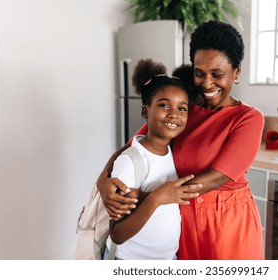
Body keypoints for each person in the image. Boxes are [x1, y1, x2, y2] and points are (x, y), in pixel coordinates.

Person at [97, 20, 265, 260]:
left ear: (237, 72)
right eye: (199, 73)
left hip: (226, 222)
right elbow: (133, 146)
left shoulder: (248, 118)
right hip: (181, 220)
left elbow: (215, 179)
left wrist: (147, 197)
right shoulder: (182, 111)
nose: (207, 84)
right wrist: (103, 181)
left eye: (217, 75)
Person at [104, 58, 202, 260]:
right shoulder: (130, 162)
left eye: (181, 108)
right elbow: (117, 234)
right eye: (164, 105)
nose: (174, 114)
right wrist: (157, 198)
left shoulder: (172, 152)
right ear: (145, 112)